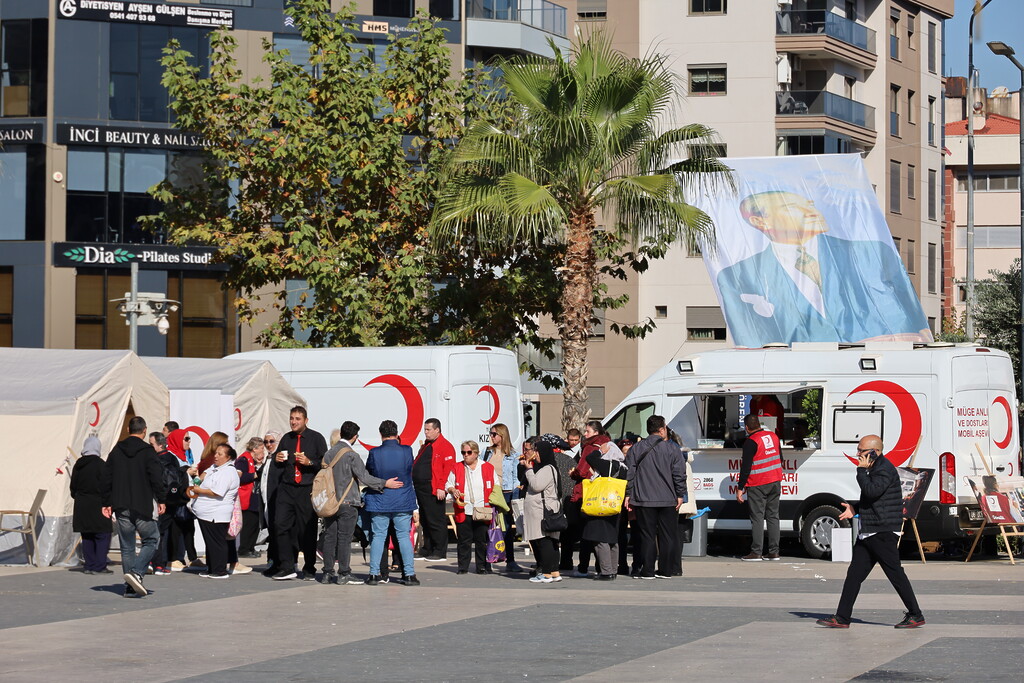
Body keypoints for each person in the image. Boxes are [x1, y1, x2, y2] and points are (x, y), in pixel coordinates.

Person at [715, 190, 930, 346]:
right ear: (760, 222)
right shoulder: (739, 276)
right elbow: (751, 338)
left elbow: (908, 311)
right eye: (793, 208)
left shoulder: (870, 253)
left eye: (809, 203)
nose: (811, 211)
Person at [817, 435, 925, 629]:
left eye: (861, 451)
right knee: (854, 575)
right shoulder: (874, 469)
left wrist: (860, 471)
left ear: (875, 452)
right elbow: (873, 501)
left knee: (895, 574)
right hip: (869, 531)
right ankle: (842, 617)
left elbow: (871, 491)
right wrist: (855, 509)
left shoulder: (883, 469)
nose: (858, 454)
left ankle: (916, 614)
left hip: (882, 532)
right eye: (858, 450)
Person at [320, 420, 402, 585]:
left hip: (330, 502)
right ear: (355, 437)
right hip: (348, 502)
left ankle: (327, 573)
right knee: (344, 538)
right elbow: (365, 477)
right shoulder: (351, 455)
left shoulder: (329, 454)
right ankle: (344, 573)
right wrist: (385, 483)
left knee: (330, 537)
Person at [106, 416, 167, 598]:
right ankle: (137, 573)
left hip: (121, 505)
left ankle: (130, 586)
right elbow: (156, 477)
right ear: (145, 430)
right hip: (142, 504)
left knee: (127, 547)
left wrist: (105, 502)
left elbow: (106, 477)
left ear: (127, 430)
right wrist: (162, 499)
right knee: (152, 539)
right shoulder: (148, 452)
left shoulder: (116, 450)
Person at [624, 415, 686, 580]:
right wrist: (680, 494)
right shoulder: (672, 449)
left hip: (644, 498)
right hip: (668, 498)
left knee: (647, 535)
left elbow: (629, 474)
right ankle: (666, 570)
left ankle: (648, 570)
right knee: (668, 535)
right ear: (662, 429)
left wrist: (628, 494)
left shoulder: (636, 448)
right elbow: (679, 474)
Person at [269, 407, 327, 581]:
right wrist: (276, 459)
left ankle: (309, 566)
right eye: (292, 418)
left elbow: (325, 464)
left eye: (297, 419)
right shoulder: (287, 438)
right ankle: (287, 565)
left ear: (306, 421)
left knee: (306, 530)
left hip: (306, 488)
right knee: (280, 525)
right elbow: (278, 463)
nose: (293, 422)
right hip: (287, 488)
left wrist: (310, 462)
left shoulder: (316, 438)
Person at [364, 420, 419, 586]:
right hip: (402, 499)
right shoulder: (407, 451)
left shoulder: (374, 453)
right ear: (397, 433)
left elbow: (370, 473)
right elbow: (410, 469)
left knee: (378, 537)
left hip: (380, 500)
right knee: (403, 537)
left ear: (381, 434)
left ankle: (374, 574)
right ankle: (409, 574)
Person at [189, 443, 241, 580]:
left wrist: (199, 490)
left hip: (216, 513)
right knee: (210, 542)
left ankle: (220, 570)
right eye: (216, 453)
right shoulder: (215, 468)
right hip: (205, 512)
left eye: (220, 454)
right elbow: (204, 474)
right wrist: (197, 480)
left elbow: (218, 492)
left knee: (217, 542)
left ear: (228, 457)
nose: (216, 456)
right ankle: (211, 567)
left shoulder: (228, 472)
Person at [736, 414, 783, 562]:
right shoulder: (773, 436)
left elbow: (746, 467)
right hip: (775, 481)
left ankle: (756, 552)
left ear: (747, 427)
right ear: (759, 424)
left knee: (757, 518)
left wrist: (740, 487)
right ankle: (774, 552)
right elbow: (780, 458)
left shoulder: (751, 442)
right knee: (773, 516)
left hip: (758, 483)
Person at [447, 440, 499, 575]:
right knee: (464, 540)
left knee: (481, 540)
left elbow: (496, 486)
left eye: (469, 452)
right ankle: (463, 566)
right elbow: (448, 484)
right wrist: (453, 490)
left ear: (476, 453)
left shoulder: (487, 467)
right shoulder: (457, 467)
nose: (465, 455)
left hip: (483, 509)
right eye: (463, 452)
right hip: (464, 509)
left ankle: (481, 566)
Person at [412, 418, 456, 562]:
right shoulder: (427, 445)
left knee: (436, 520)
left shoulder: (445, 446)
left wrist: (441, 487)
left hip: (434, 488)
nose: (425, 432)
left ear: (437, 430)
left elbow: (447, 469)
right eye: (425, 429)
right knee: (425, 519)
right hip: (421, 488)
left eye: (428, 429)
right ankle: (428, 548)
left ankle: (439, 550)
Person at [564, 422, 604, 577]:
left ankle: (583, 567)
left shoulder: (590, 447)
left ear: (595, 432)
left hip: (587, 493)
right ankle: (603, 567)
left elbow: (581, 471)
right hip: (604, 493)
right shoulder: (607, 445)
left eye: (587, 432)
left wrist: (573, 473)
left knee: (586, 532)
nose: (585, 435)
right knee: (602, 533)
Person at [583, 438, 627, 580]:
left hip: (600, 505)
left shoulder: (606, 464)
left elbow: (590, 457)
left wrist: (600, 450)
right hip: (614, 506)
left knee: (600, 539)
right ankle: (613, 570)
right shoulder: (622, 467)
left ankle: (606, 571)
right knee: (613, 539)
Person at [483, 423, 524, 573]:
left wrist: (514, 498)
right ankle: (488, 560)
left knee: (506, 527)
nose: (491, 437)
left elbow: (515, 479)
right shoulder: (486, 453)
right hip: (490, 493)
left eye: (494, 434)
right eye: (491, 434)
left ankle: (510, 560)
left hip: (505, 493)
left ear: (502, 435)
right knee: (489, 527)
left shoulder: (512, 455)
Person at [70, 436, 112, 575]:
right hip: (98, 503)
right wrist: (108, 503)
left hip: (82, 504)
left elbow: (73, 487)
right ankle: (99, 566)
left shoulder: (78, 465)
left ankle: (89, 565)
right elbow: (106, 486)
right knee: (102, 534)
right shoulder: (101, 465)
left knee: (87, 535)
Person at [523, 440, 563, 584]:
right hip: (548, 509)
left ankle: (546, 574)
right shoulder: (549, 467)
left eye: (537, 451)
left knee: (544, 541)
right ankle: (554, 572)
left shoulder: (546, 469)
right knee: (551, 542)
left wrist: (528, 470)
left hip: (542, 511)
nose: (535, 454)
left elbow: (536, 485)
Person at [150, 431, 188, 576]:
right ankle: (163, 563)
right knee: (164, 532)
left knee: (156, 532)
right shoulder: (173, 458)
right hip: (173, 500)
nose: (149, 446)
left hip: (160, 501)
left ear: (159, 445)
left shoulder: (156, 460)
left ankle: (156, 563)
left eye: (151, 444)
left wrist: (160, 500)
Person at [165, 429, 199, 570]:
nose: (188, 442)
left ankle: (192, 557)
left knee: (189, 528)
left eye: (189, 439)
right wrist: (186, 472)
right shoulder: (170, 456)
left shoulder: (185, 455)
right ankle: (173, 558)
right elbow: (170, 476)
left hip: (185, 496)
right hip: (175, 498)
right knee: (175, 528)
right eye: (186, 439)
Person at [236, 437, 264, 558]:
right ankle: (244, 549)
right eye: (262, 448)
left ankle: (251, 547)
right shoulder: (243, 460)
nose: (263, 451)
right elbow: (239, 478)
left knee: (255, 525)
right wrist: (255, 474)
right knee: (248, 524)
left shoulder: (253, 460)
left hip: (255, 497)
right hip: (247, 497)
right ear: (255, 448)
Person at [260, 430, 282, 574]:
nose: (268, 444)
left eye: (271, 441)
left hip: (276, 502)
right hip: (266, 501)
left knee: (278, 532)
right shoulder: (268, 458)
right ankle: (272, 561)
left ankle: (279, 562)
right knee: (271, 532)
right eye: (266, 442)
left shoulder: (279, 458)